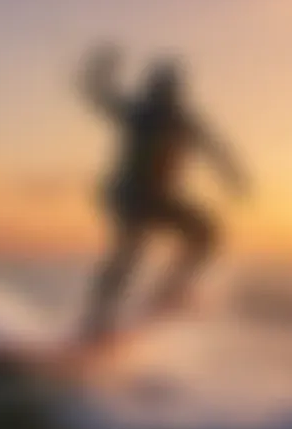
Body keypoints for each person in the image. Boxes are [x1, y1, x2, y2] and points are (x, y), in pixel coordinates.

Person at [78, 43, 251, 343]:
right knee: (130, 250)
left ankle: (169, 292)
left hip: (158, 199)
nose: (163, 98)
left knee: (206, 233)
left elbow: (214, 147)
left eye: (168, 92)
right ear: (154, 89)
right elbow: (97, 92)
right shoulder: (139, 113)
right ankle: (95, 321)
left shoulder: (182, 119)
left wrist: (233, 175)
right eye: (160, 91)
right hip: (129, 196)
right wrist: (101, 67)